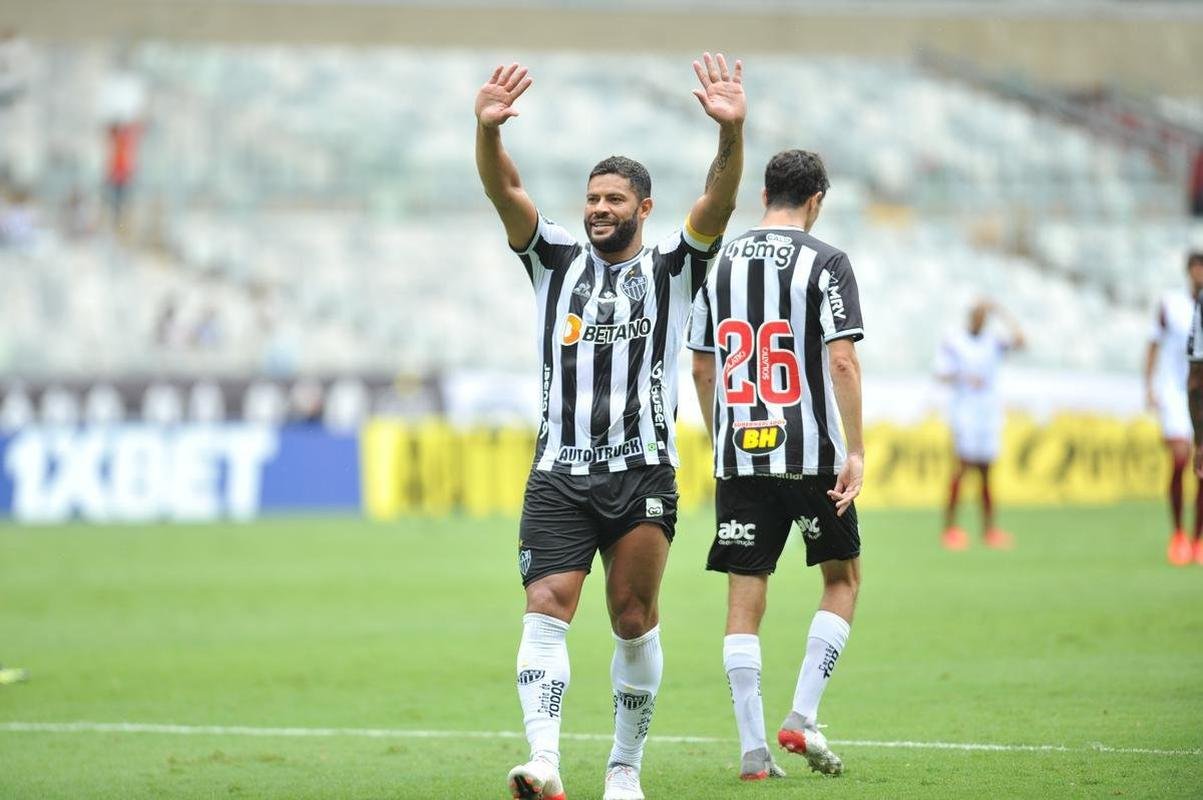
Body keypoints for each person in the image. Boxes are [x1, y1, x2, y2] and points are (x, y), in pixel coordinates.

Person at [475, 54, 745, 800]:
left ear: (643, 208)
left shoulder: (673, 269)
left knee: (632, 617)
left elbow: (719, 203)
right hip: (558, 472)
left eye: (613, 199)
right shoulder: (553, 258)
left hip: (641, 473)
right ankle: (544, 761)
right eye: (592, 197)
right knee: (545, 606)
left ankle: (624, 767)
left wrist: (731, 133)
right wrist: (488, 130)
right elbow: (504, 190)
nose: (598, 208)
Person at [688, 149, 863, 780]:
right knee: (841, 579)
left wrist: (722, 439)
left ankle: (753, 751)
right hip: (809, 453)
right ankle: (802, 716)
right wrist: (856, 450)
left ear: (764, 194)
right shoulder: (826, 261)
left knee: (744, 597)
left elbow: (702, 366)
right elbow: (841, 360)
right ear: (816, 201)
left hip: (739, 454)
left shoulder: (717, 262)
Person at [935, 300, 1024, 550]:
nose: (980, 319)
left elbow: (1021, 341)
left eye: (984, 315)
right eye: (977, 315)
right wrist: (962, 376)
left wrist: (1001, 311)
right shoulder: (954, 341)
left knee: (986, 472)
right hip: (964, 413)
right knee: (961, 469)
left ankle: (989, 530)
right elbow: (940, 373)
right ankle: (950, 528)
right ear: (970, 316)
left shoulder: (993, 340)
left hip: (988, 414)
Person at [1148, 252, 1203, 565]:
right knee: (1181, 458)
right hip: (1175, 391)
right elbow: (1153, 344)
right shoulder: (1171, 305)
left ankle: (1198, 539)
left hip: (1199, 392)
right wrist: (1148, 387)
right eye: (1196, 267)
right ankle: (1178, 534)